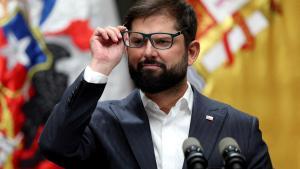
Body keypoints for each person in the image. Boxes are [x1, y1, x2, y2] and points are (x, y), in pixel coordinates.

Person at [39, 0, 273, 169]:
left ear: (191, 53)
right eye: (138, 41)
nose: (148, 52)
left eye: (163, 41)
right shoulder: (103, 122)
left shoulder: (239, 127)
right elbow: (55, 146)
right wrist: (100, 64)